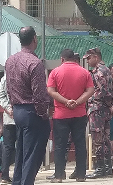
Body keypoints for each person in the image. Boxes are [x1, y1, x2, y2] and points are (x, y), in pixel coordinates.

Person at [5, 26, 51, 185]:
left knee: (21, 153)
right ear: (34, 39)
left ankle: (18, 181)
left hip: (17, 111)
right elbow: (39, 94)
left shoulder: (10, 61)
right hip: (32, 112)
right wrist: (44, 114)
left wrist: (13, 106)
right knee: (32, 155)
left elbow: (8, 87)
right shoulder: (35, 63)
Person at [47, 49, 95, 183]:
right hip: (79, 113)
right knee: (80, 144)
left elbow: (50, 90)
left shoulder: (55, 72)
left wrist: (65, 101)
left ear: (62, 59)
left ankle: (59, 175)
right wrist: (78, 102)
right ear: (74, 58)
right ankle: (81, 175)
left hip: (61, 115)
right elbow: (90, 90)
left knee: (60, 145)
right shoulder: (85, 72)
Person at [83, 47, 113, 179]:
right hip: (105, 109)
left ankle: (99, 168)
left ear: (96, 57)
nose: (88, 61)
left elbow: (103, 91)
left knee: (98, 140)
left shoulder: (99, 71)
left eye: (89, 58)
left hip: (98, 108)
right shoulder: (107, 70)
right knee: (105, 139)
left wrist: (90, 97)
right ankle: (108, 168)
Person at [0, 73, 15, 185]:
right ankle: (7, 176)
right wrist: (9, 109)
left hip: (10, 118)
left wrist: (8, 109)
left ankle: (5, 176)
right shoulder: (6, 78)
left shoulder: (6, 77)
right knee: (20, 147)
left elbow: (0, 96)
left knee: (7, 148)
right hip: (17, 119)